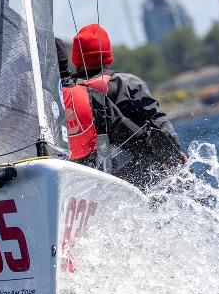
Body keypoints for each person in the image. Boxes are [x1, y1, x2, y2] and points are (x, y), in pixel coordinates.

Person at [61, 24, 186, 190]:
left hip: (87, 179)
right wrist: (177, 154)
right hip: (137, 174)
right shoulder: (127, 83)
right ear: (107, 55)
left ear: (75, 59)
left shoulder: (66, 93)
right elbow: (158, 123)